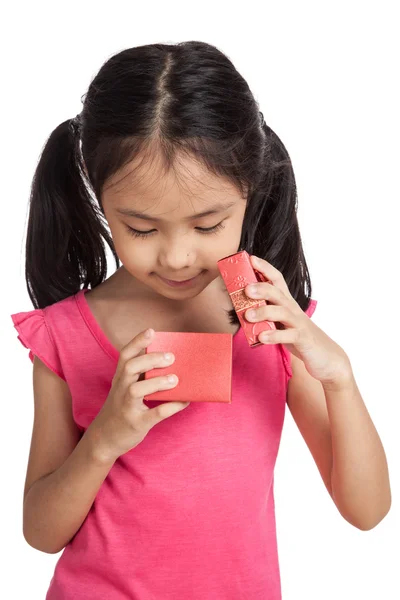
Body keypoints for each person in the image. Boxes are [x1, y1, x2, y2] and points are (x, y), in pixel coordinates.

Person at [11, 41, 391, 600]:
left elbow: (367, 510)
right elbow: (40, 533)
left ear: (249, 192)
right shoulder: (66, 334)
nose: (177, 256)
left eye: (209, 223)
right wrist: (103, 441)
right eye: (141, 228)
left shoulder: (273, 326)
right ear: (98, 195)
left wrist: (340, 375)